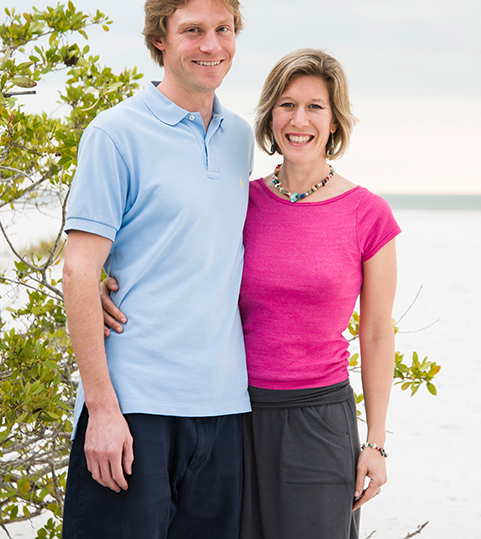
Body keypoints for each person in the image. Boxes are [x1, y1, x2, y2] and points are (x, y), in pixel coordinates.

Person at [101, 49, 400, 539]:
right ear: (270, 116)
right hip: (232, 415)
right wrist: (103, 283)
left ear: (334, 119)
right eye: (286, 105)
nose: (298, 120)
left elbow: (376, 332)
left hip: (319, 422)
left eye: (314, 107)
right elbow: (178, 257)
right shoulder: (242, 200)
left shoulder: (368, 215)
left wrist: (378, 443)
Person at [60, 0, 254, 539]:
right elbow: (77, 269)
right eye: (193, 30)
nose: (212, 45)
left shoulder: (241, 136)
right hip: (134, 406)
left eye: (224, 29)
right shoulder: (115, 133)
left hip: (223, 408)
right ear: (159, 41)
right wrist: (101, 409)